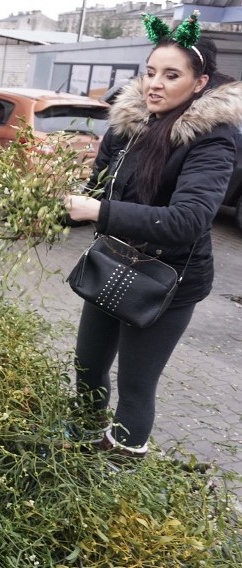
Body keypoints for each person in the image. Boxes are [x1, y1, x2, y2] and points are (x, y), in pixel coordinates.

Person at [64, 14, 241, 457]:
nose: (154, 85)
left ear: (199, 83)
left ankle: (119, 468)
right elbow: (95, 189)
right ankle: (80, 445)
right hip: (114, 264)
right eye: (149, 72)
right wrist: (54, 208)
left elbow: (188, 220)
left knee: (136, 385)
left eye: (171, 75)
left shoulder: (213, 139)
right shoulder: (127, 126)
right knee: (87, 366)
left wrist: (100, 211)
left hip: (168, 281)